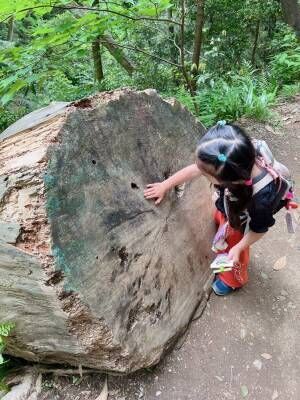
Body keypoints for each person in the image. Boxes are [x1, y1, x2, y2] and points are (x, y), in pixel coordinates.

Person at [143, 121, 292, 296]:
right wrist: (165, 185)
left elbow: (259, 229)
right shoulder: (234, 157)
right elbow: (195, 169)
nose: (201, 174)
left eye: (207, 175)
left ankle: (233, 279)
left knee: (234, 244)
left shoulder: (261, 201)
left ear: (229, 182)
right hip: (237, 199)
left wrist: (238, 248)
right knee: (225, 218)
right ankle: (226, 220)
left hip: (246, 216)